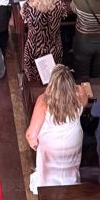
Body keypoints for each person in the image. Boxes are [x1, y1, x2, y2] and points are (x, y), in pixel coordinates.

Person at [25, 64, 87, 192]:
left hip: (51, 147)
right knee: (70, 167)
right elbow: (84, 104)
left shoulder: (44, 101)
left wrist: (37, 146)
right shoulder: (80, 93)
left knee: (48, 170)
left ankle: (48, 189)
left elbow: (31, 135)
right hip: (72, 142)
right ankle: (70, 184)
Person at [21, 0, 66, 82]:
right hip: (54, 46)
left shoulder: (28, 7)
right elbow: (64, 15)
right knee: (52, 77)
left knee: (34, 79)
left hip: (34, 48)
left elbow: (24, 18)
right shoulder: (59, 4)